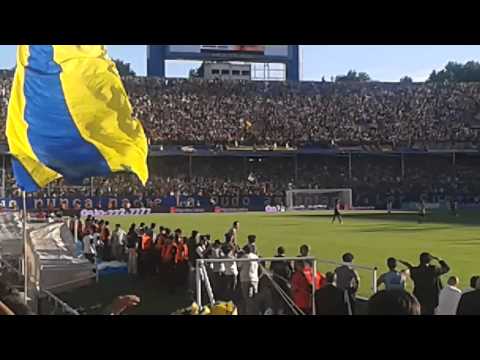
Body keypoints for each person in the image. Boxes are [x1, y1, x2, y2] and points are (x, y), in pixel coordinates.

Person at [270, 246, 293, 315]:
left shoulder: (274, 259)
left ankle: (276, 311)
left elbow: (271, 269)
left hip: (276, 281)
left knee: (276, 297)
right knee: (285, 297)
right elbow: (291, 270)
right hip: (284, 281)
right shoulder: (287, 259)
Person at [238, 244, 259, 315]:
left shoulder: (243, 257)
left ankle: (249, 312)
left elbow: (239, 267)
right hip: (254, 279)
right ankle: (255, 311)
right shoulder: (256, 257)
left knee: (247, 298)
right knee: (255, 297)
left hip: (245, 279)